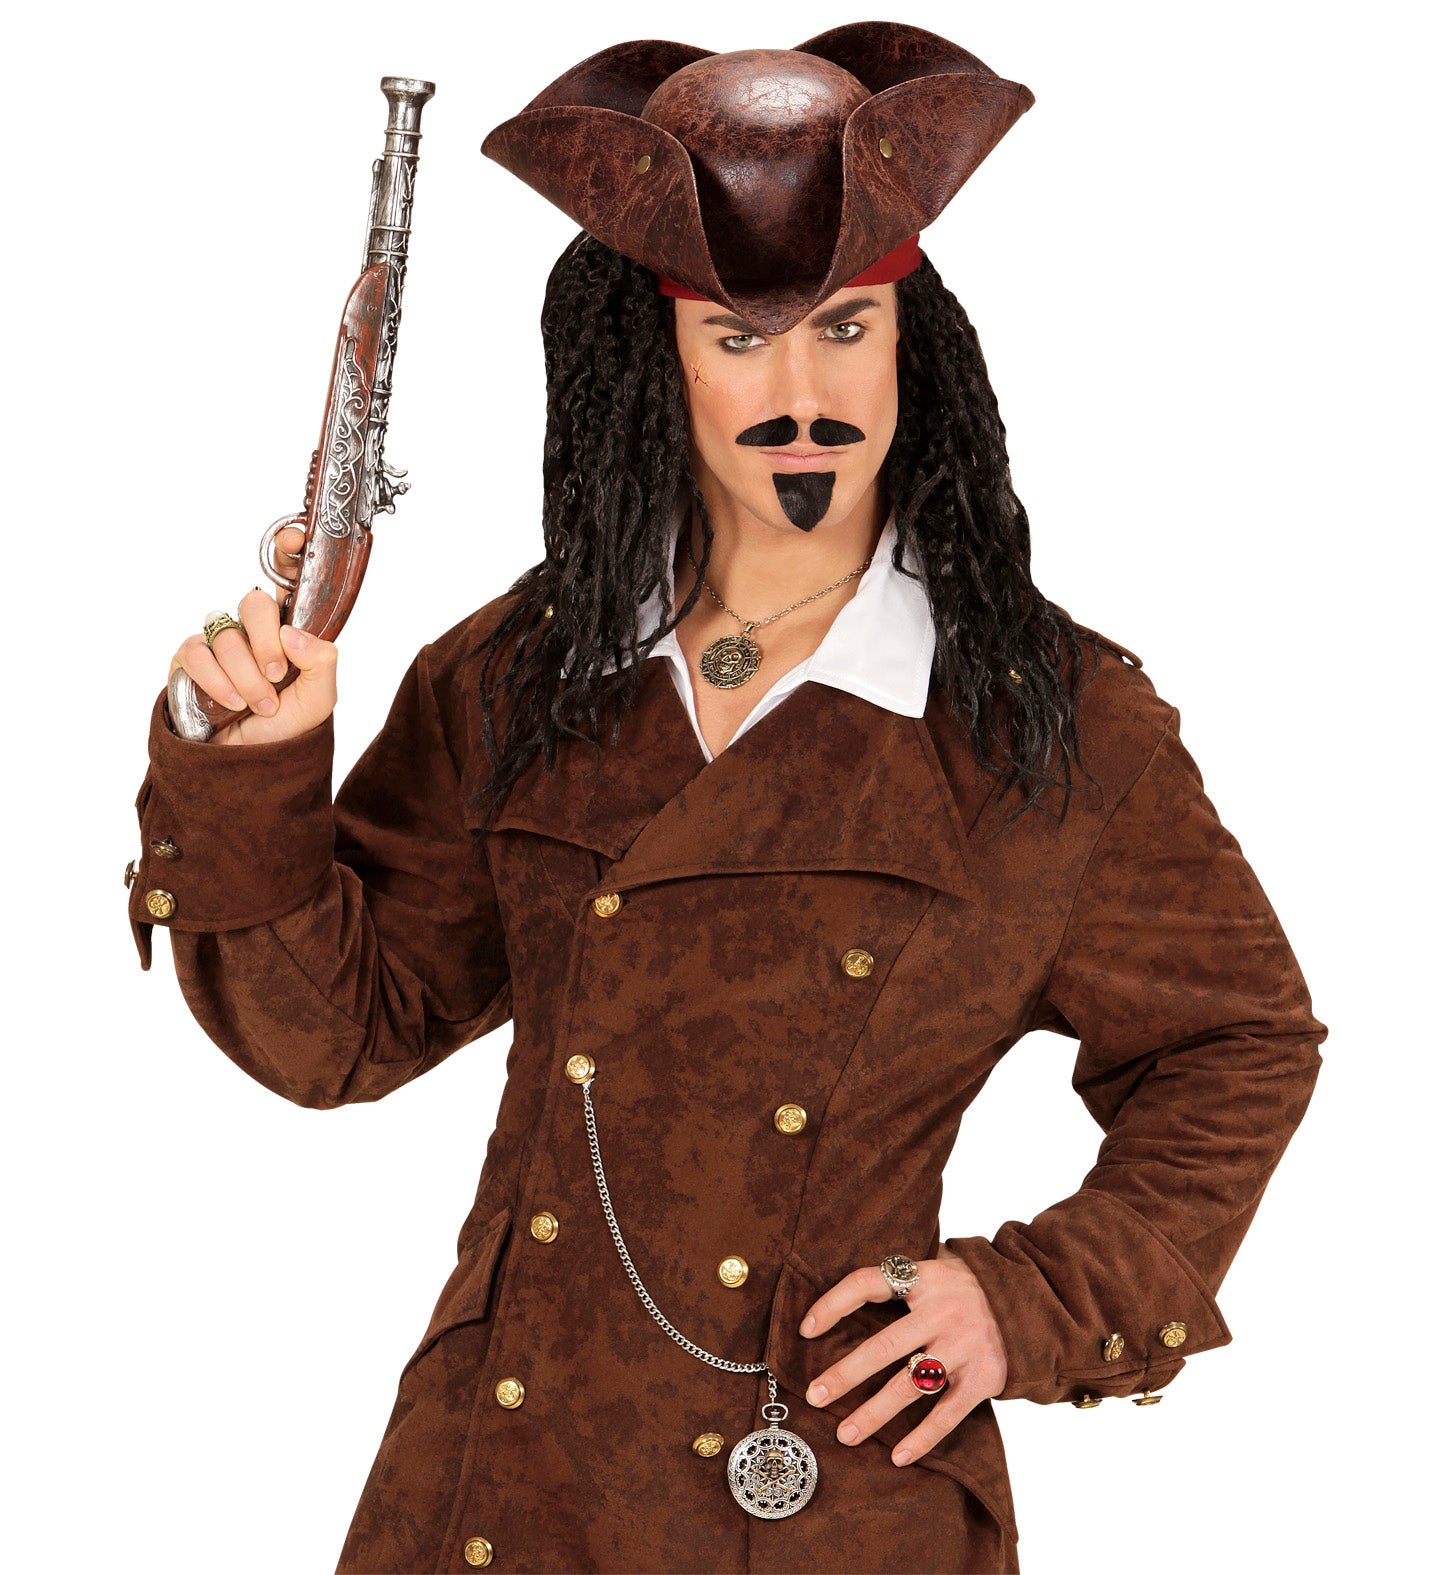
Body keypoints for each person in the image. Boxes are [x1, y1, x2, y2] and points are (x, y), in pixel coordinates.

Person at [125, 22, 1327, 1574]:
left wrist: (1029, 1300)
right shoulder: (519, 674)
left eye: (845, 328)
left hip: (831, 1489)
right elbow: (336, 1036)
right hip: (500, 1481)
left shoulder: (1052, 722)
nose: (803, 393)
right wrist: (247, 770)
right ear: (651, 363)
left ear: (912, 352)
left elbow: (1235, 1042)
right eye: (739, 341)